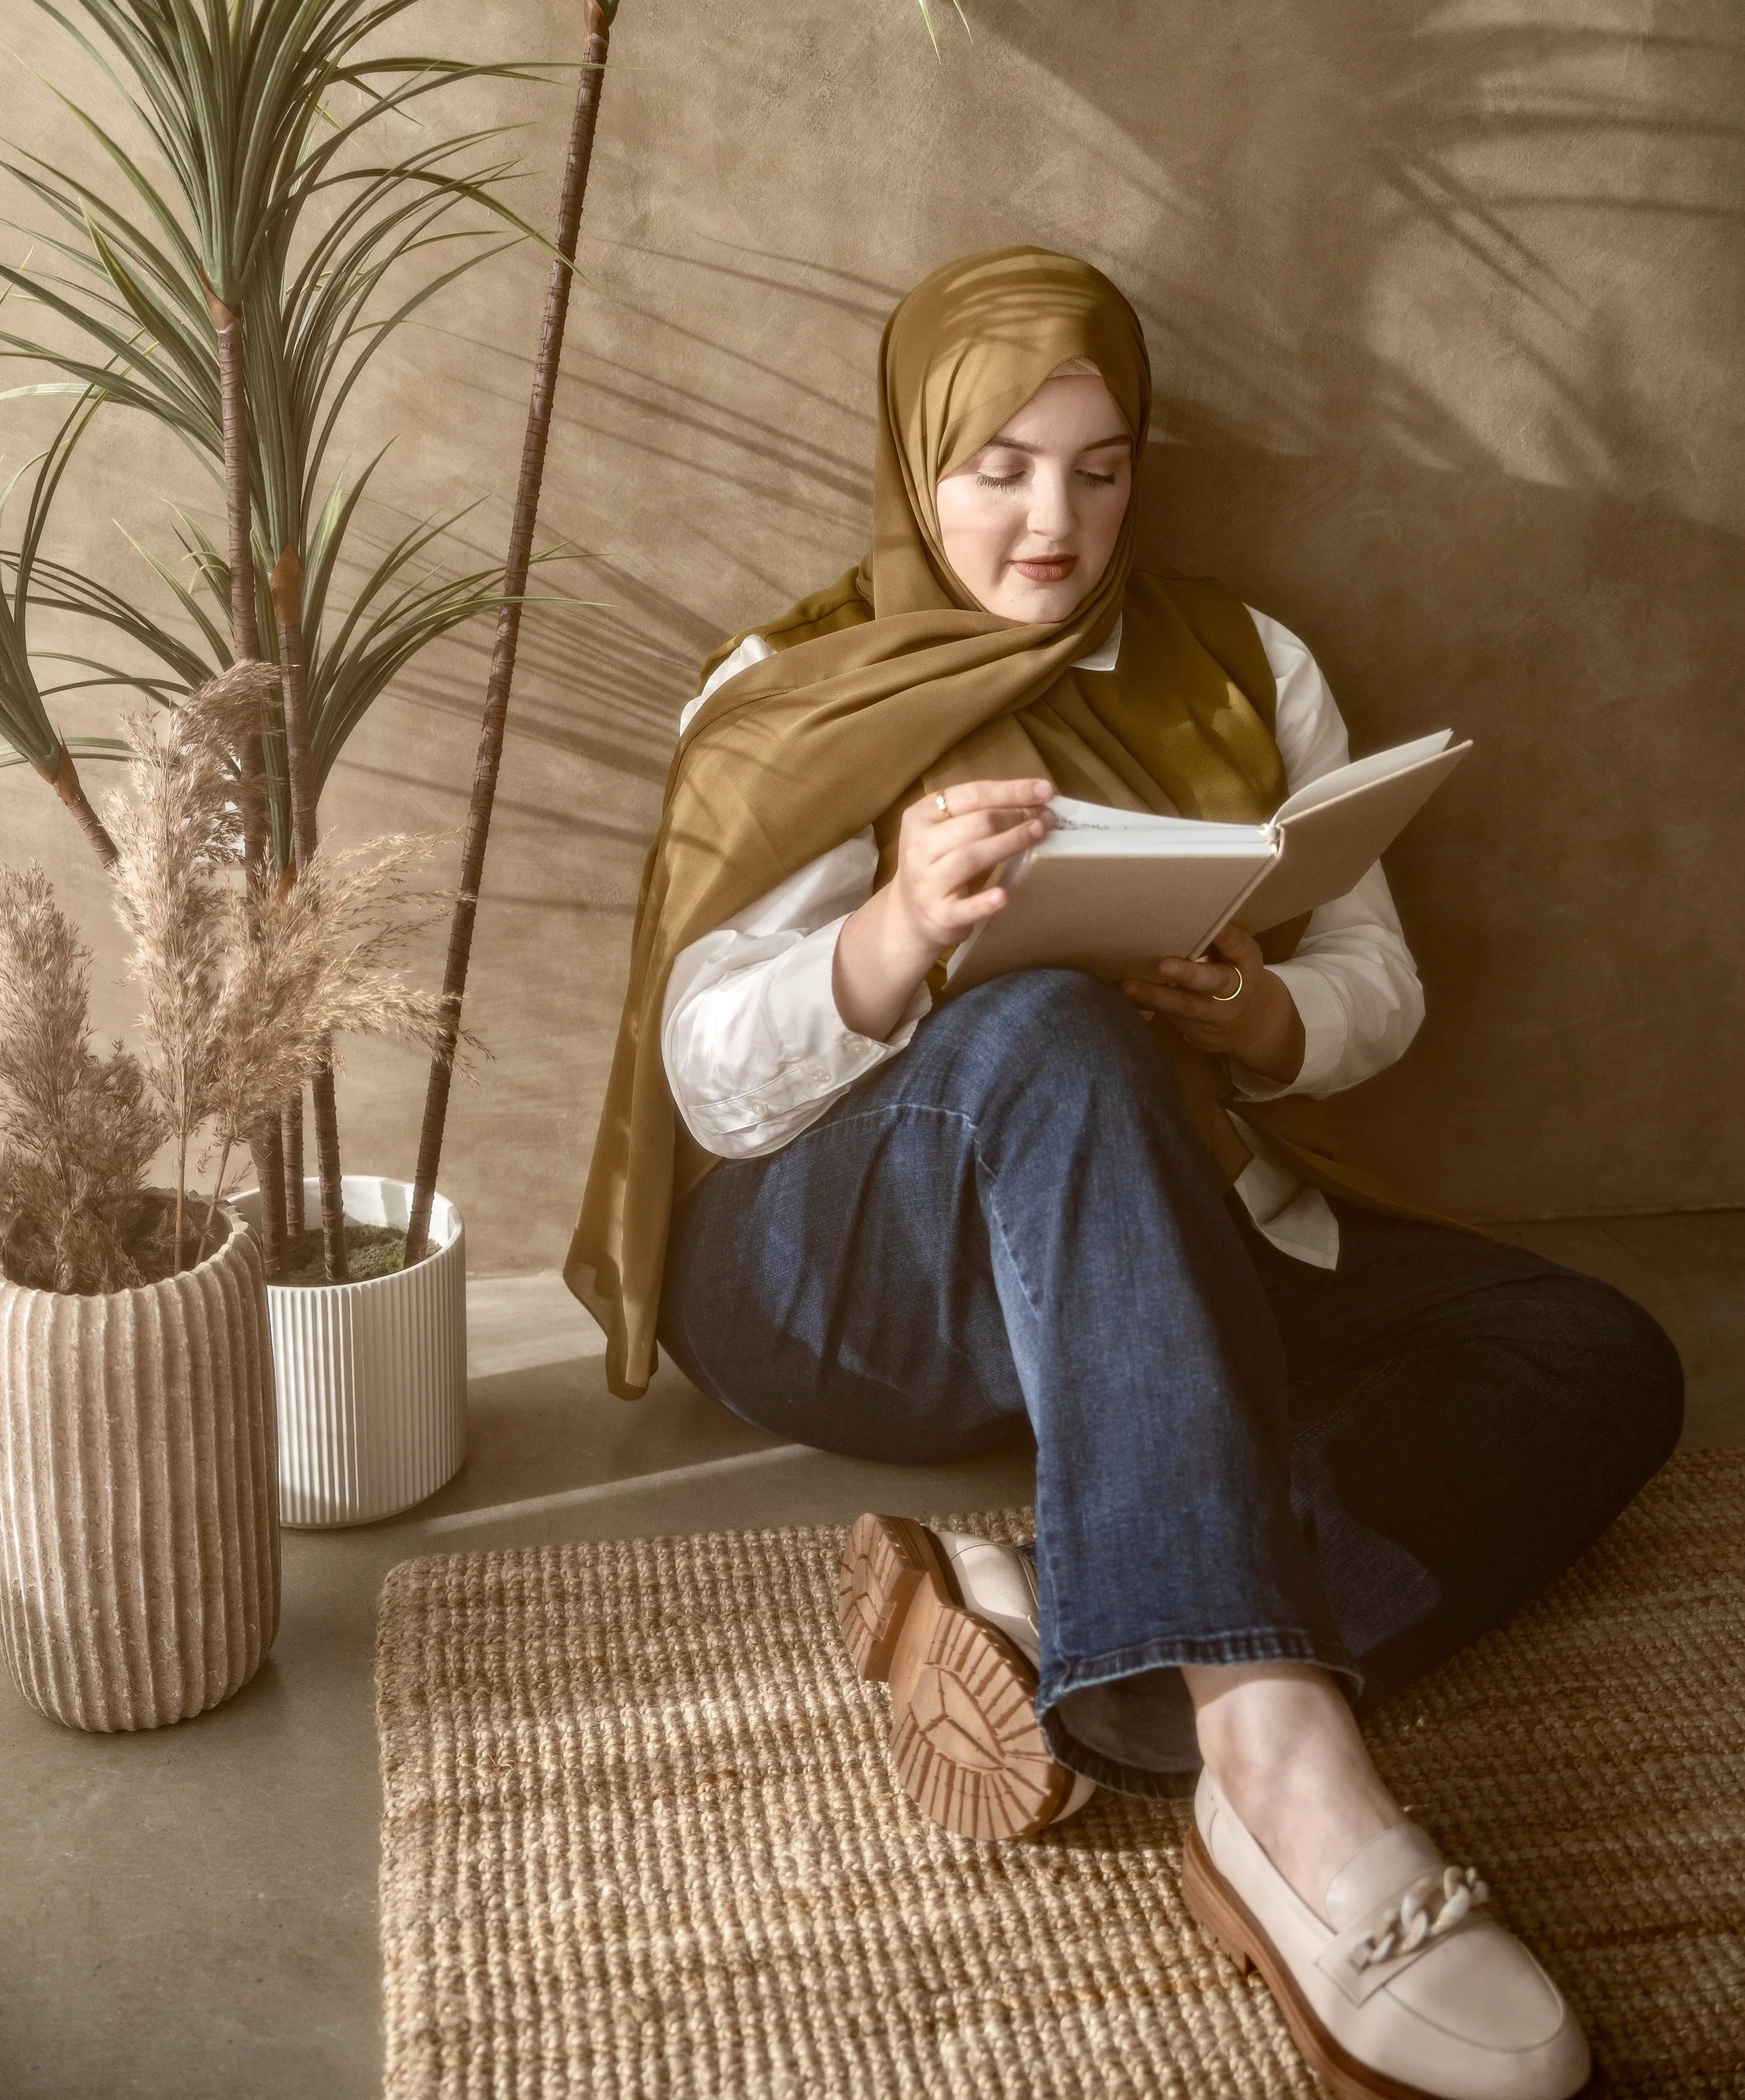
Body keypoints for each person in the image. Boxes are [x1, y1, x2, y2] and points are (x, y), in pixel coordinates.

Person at [568, 247, 1679, 2100]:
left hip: (1160, 1235)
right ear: (912, 452)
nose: (1052, 519)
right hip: (837, 1279)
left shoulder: (1248, 663)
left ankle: (1075, 1628)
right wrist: (899, 932)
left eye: (1099, 465)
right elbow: (711, 1076)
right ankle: (1272, 1761)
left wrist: (1259, 1021)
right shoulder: (792, 682)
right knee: (1042, 1032)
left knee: (1593, 1359)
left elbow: (1375, 981)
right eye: (997, 463)